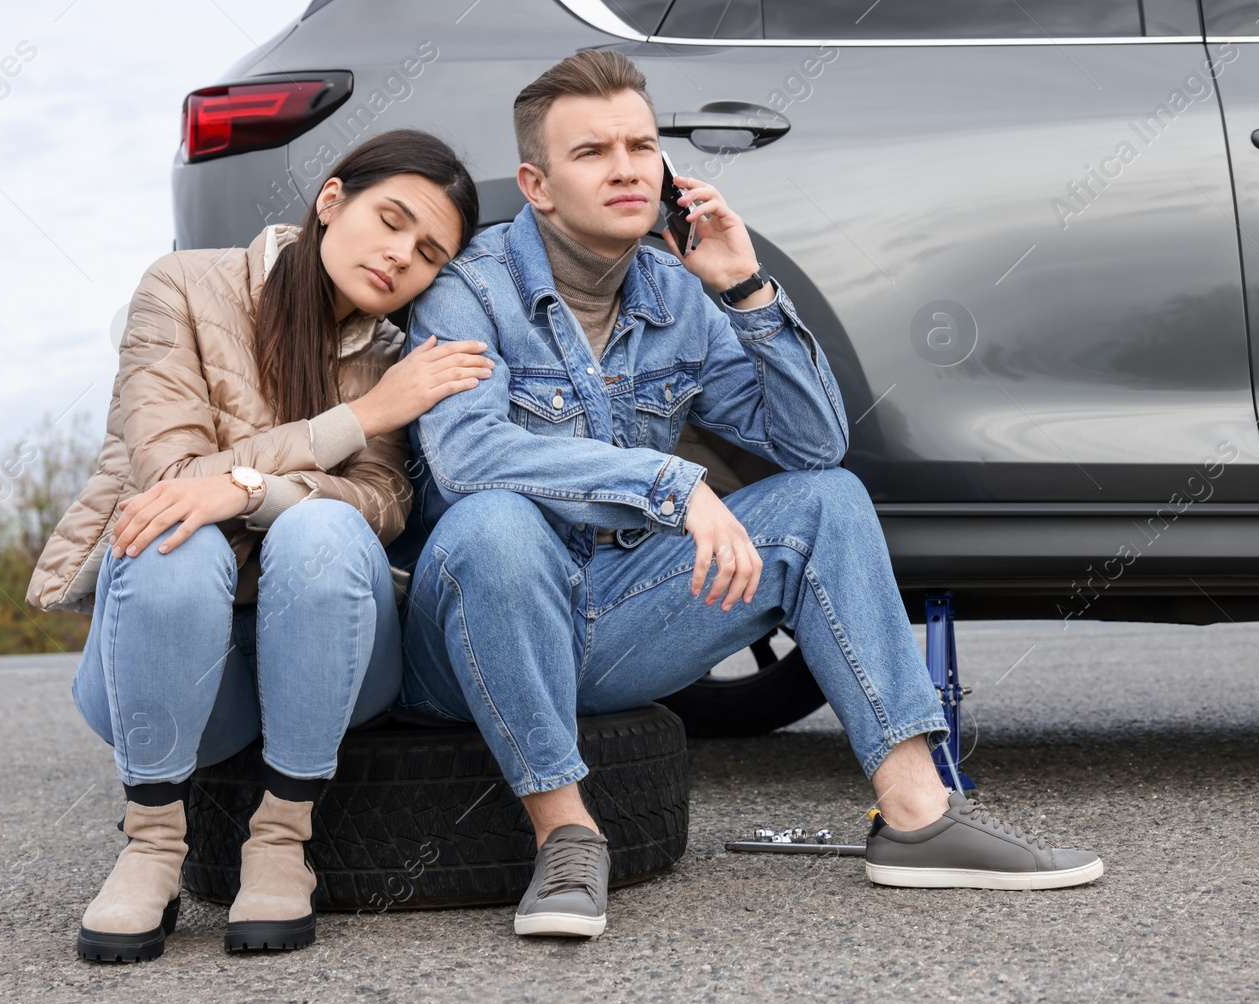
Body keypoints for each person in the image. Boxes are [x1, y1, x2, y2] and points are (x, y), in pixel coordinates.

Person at [396, 51, 1105, 940]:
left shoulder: (675, 291)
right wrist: (672, 485)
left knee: (828, 499)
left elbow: (812, 445)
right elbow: (467, 458)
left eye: (642, 145)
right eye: (592, 153)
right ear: (535, 183)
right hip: (465, 636)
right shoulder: (471, 289)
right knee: (495, 523)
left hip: (611, 622)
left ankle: (920, 815)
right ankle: (568, 836)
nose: (626, 168)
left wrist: (745, 286)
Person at [27, 129, 494, 962]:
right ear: (330, 199)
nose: (400, 257)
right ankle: (152, 844)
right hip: (166, 660)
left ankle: (281, 841)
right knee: (177, 529)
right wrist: (354, 421)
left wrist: (251, 489)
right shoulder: (181, 287)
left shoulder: (396, 360)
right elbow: (169, 473)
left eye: (428, 253)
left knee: (322, 526)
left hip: (323, 664)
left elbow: (382, 504)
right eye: (390, 220)